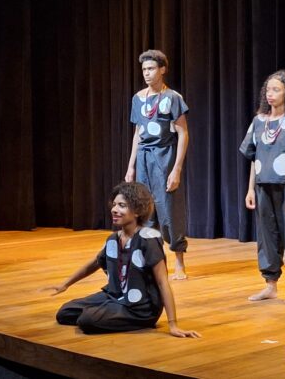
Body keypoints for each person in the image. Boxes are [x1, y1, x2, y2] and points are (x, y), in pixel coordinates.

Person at [45, 182, 200, 338]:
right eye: (114, 205)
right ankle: (109, 311)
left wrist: (173, 324)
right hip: (115, 296)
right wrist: (64, 285)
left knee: (87, 320)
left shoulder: (148, 239)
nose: (114, 210)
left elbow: (162, 282)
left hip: (139, 307)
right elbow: (93, 264)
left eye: (121, 205)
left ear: (137, 211)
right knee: (65, 313)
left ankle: (130, 319)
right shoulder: (113, 239)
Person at [239, 70, 285, 305]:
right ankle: (270, 285)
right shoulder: (258, 122)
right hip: (263, 186)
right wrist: (250, 189)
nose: (270, 94)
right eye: (268, 90)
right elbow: (253, 157)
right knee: (266, 236)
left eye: (276, 90)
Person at [125, 49, 190, 280]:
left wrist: (177, 168)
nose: (147, 73)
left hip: (164, 157)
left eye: (151, 68)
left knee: (168, 211)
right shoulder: (138, 98)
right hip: (143, 158)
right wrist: (131, 166)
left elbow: (183, 133)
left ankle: (179, 262)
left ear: (162, 69)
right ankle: (153, 261)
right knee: (145, 212)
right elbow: (138, 133)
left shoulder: (173, 97)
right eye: (144, 69)